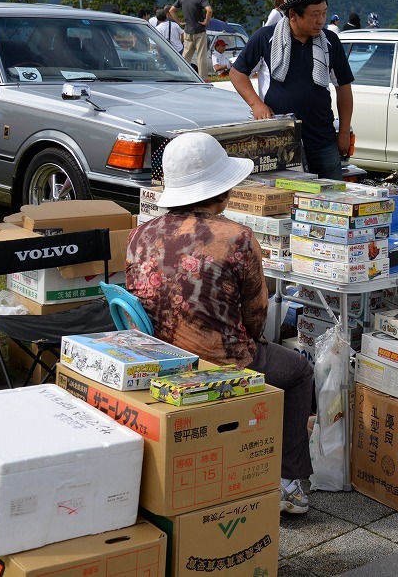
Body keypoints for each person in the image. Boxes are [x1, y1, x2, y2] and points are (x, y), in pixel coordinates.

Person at [127, 132, 315, 516]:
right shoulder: (236, 238)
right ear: (224, 191)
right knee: (298, 372)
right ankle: (288, 483)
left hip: (157, 354)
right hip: (214, 361)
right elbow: (256, 314)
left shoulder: (140, 233)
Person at [230, 0, 353, 180]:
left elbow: (343, 87)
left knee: (331, 194)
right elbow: (237, 73)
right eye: (315, 15)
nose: (321, 20)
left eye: (323, 13)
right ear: (294, 15)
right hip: (278, 138)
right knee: (286, 198)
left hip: (322, 136)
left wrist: (344, 131)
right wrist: (256, 104)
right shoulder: (265, 38)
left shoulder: (330, 40)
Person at [175, 0, 213, 79]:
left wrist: (179, 22)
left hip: (187, 30)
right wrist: (206, 22)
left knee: (186, 55)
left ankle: (181, 75)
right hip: (199, 30)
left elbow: (171, 10)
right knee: (201, 56)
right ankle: (203, 78)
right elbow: (209, 10)